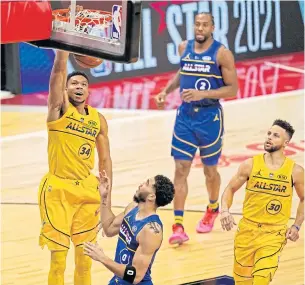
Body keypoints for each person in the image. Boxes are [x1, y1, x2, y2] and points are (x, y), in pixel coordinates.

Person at [154, 12, 238, 244]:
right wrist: (165, 91)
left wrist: (203, 94)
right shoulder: (184, 47)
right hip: (185, 117)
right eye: (197, 25)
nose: (200, 28)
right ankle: (178, 226)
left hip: (210, 118)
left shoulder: (222, 53)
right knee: (181, 169)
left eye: (205, 25)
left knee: (210, 172)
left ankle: (212, 209)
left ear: (212, 27)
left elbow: (232, 90)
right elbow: (182, 73)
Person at [38, 50, 112, 285]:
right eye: (73, 83)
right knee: (59, 260)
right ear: (66, 90)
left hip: (87, 191)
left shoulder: (97, 119)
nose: (78, 87)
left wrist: (106, 198)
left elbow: (105, 160)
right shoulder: (58, 109)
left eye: (83, 84)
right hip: (58, 191)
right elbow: (58, 73)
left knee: (85, 259)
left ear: (88, 90)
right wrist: (62, 53)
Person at [220, 119, 304, 285]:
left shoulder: (295, 171)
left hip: (273, 234)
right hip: (246, 231)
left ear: (286, 142)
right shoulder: (250, 165)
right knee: (242, 282)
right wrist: (224, 210)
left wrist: (296, 226)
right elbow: (229, 189)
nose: (269, 138)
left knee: (261, 279)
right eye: (269, 134)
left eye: (275, 135)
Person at [84, 171, 175, 285]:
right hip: (118, 281)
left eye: (147, 184)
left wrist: (103, 258)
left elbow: (136, 276)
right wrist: (104, 197)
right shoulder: (133, 208)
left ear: (152, 196)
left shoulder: (151, 230)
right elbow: (109, 228)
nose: (141, 184)